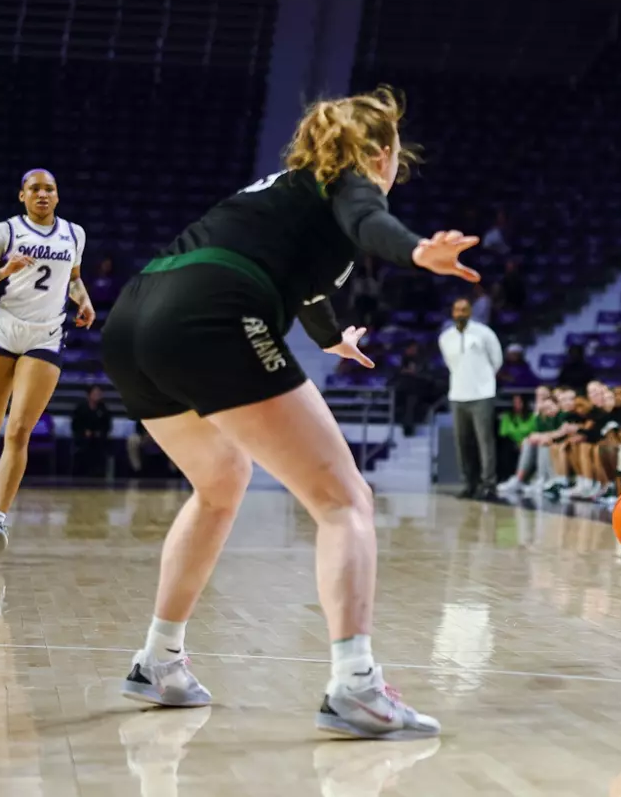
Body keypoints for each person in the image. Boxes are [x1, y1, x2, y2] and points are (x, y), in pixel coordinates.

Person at [99, 87, 477, 738]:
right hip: (210, 312)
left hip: (135, 319)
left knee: (220, 483)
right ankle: (355, 686)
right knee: (344, 499)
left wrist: (333, 339)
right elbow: (370, 225)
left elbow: (298, 285)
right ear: (383, 153)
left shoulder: (283, 190)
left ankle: (158, 660)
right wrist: (420, 252)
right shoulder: (353, 181)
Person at [0, 169, 95, 555]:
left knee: (18, 431)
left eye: (50, 188)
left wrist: (83, 300)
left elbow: (73, 278)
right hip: (3, 332)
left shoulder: (74, 234)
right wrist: (5, 270)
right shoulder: (5, 232)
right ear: (22, 196)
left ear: (57, 195)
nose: (43, 194)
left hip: (46, 335)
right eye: (35, 189)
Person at [439, 297, 504, 501]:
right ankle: (469, 484)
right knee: (462, 443)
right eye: (457, 310)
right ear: (452, 313)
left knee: (485, 442)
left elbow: (497, 360)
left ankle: (489, 485)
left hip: (482, 394)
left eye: (464, 310)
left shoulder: (484, 333)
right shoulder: (445, 337)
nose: (461, 313)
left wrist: (483, 380)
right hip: (457, 394)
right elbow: (450, 364)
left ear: (470, 312)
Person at [70, 385, 113, 478]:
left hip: (99, 439)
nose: (97, 395)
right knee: (83, 446)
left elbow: (107, 426)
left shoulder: (104, 409)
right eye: (95, 393)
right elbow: (75, 424)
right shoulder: (81, 408)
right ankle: (79, 474)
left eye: (99, 393)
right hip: (82, 438)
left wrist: (99, 432)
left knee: (100, 447)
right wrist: (84, 432)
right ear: (89, 395)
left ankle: (98, 474)